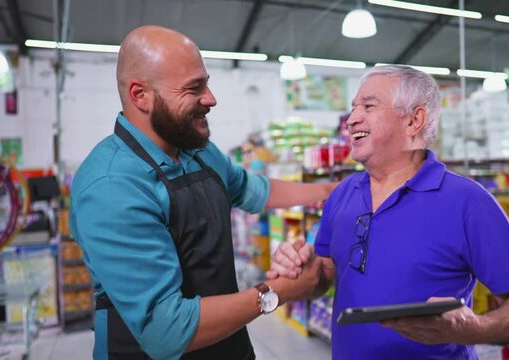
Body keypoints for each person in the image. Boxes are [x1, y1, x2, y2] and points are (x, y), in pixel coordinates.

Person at [70, 25, 334, 360]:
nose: (211, 99)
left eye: (206, 83)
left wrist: (331, 190)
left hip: (227, 345)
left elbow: (254, 190)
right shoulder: (111, 187)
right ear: (141, 95)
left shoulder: (199, 152)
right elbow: (166, 331)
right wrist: (279, 292)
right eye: (194, 88)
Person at [268, 65, 509, 359]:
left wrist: (475, 328)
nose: (352, 119)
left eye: (368, 106)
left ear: (414, 120)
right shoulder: (343, 194)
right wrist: (303, 271)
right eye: (353, 108)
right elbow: (325, 274)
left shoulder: (467, 202)